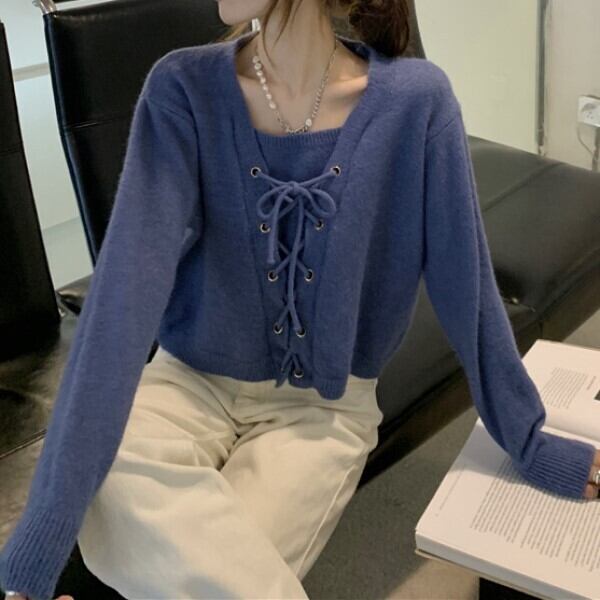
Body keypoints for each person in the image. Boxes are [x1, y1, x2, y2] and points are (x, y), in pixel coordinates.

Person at [2, 0, 600, 598]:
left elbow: (465, 285)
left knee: (201, 562)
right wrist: (39, 538)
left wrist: (528, 439)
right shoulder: (181, 89)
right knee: (115, 476)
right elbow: (120, 298)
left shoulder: (416, 102)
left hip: (321, 409)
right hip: (186, 383)